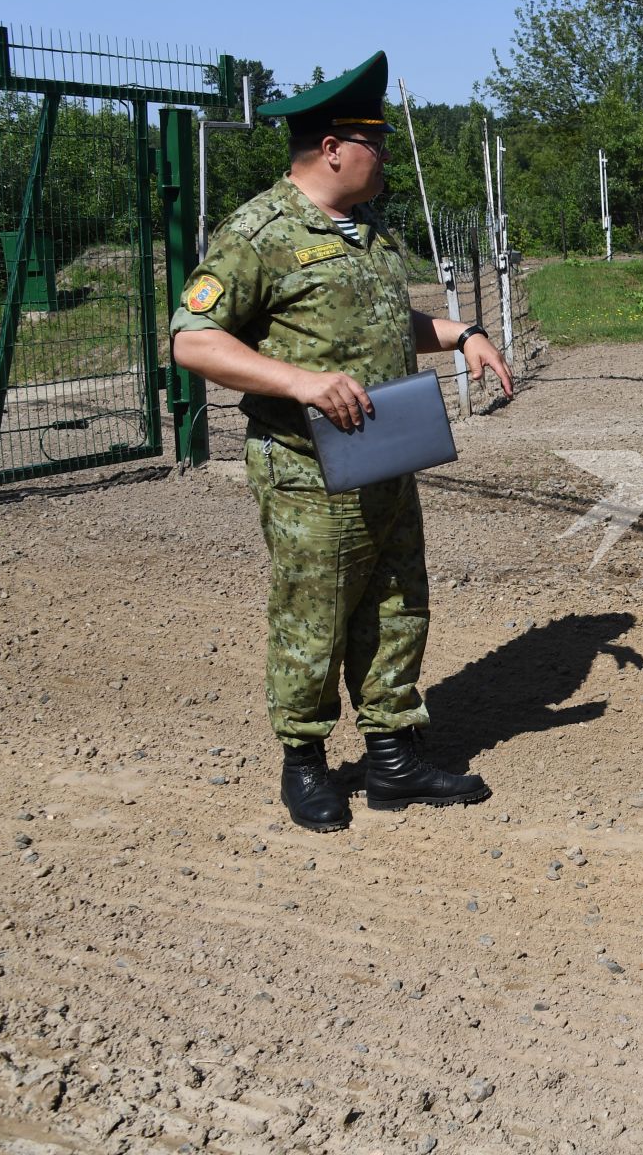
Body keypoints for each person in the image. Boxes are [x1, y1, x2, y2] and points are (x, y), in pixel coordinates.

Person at [170, 51, 512, 833]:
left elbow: (393, 320)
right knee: (313, 614)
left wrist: (463, 334)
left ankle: (393, 756)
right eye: (376, 143)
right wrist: (299, 381)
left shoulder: (367, 231)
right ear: (332, 148)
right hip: (307, 469)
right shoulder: (258, 233)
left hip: (386, 454)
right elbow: (192, 341)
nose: (385, 156)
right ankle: (305, 761)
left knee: (397, 603)